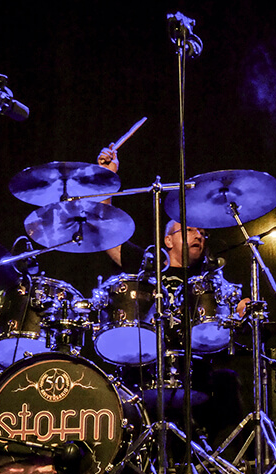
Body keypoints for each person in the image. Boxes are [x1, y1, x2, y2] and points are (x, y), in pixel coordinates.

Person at [95, 145, 246, 445]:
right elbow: (106, 233)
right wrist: (105, 179)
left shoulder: (209, 276)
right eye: (189, 230)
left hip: (196, 371)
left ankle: (219, 464)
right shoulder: (148, 265)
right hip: (144, 368)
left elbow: (230, 312)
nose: (199, 235)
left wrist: (241, 310)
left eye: (202, 232)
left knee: (229, 382)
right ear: (167, 240)